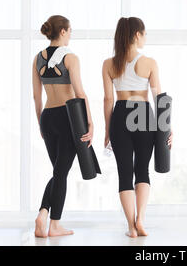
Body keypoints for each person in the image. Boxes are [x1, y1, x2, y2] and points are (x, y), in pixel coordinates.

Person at [102, 17, 173, 238]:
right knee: (142, 170)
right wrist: (167, 128)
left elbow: (107, 100)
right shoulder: (149, 62)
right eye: (144, 34)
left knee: (125, 173)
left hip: (121, 113)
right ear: (136, 35)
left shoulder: (109, 64)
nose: (144, 38)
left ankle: (131, 227)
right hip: (142, 113)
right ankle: (141, 219)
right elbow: (158, 97)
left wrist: (107, 131)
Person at [32, 15, 94, 237]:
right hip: (68, 118)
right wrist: (90, 122)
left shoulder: (37, 58)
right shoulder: (71, 58)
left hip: (48, 116)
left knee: (59, 171)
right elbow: (79, 93)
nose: (71, 34)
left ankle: (44, 214)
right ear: (64, 32)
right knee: (60, 172)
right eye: (70, 30)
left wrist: (40, 122)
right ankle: (52, 223)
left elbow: (36, 97)